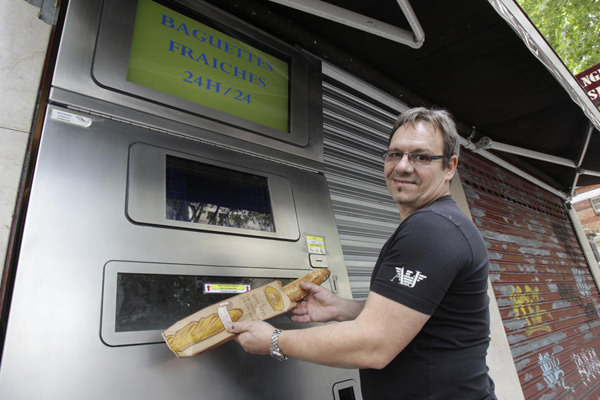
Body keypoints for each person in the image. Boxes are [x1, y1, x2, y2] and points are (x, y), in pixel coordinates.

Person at [227, 107, 496, 399]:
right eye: (395, 154)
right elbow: (423, 316)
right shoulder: (446, 223)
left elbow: (373, 345)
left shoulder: (431, 229)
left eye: (421, 156)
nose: (403, 166)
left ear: (450, 167)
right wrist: (343, 309)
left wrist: (274, 340)